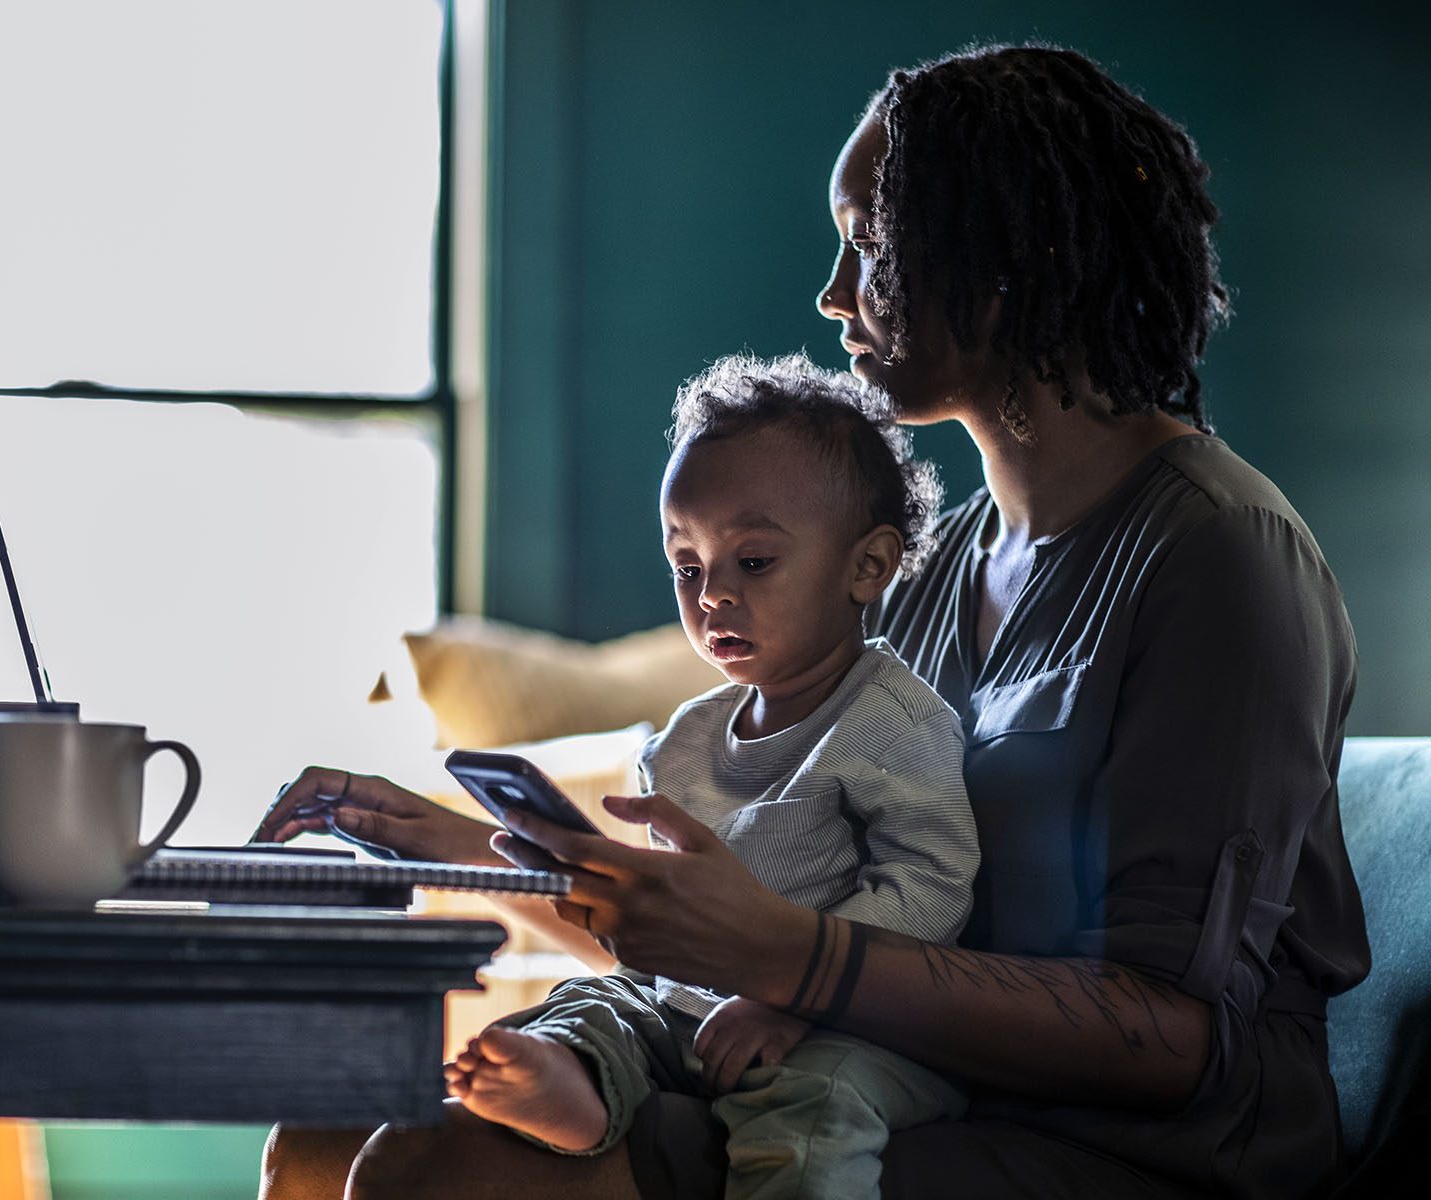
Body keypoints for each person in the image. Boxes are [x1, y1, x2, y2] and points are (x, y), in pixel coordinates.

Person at [255, 42, 1367, 1200]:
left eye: (870, 245)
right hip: (900, 1072)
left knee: (435, 1167)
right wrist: (470, 850)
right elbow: (740, 941)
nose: (834, 292)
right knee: (321, 1140)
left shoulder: (1220, 557)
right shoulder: (937, 575)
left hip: (1134, 1150)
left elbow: (1174, 1037)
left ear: (1005, 258)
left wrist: (794, 959)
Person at [440, 353, 977, 1200]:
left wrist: (797, 998)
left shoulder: (894, 722)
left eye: (753, 563)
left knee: (814, 1108)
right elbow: (669, 929)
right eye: (687, 566)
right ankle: (577, 1096)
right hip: (690, 1010)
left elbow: (933, 886)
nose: (711, 594)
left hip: (852, 1027)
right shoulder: (686, 740)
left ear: (867, 568)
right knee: (596, 1011)